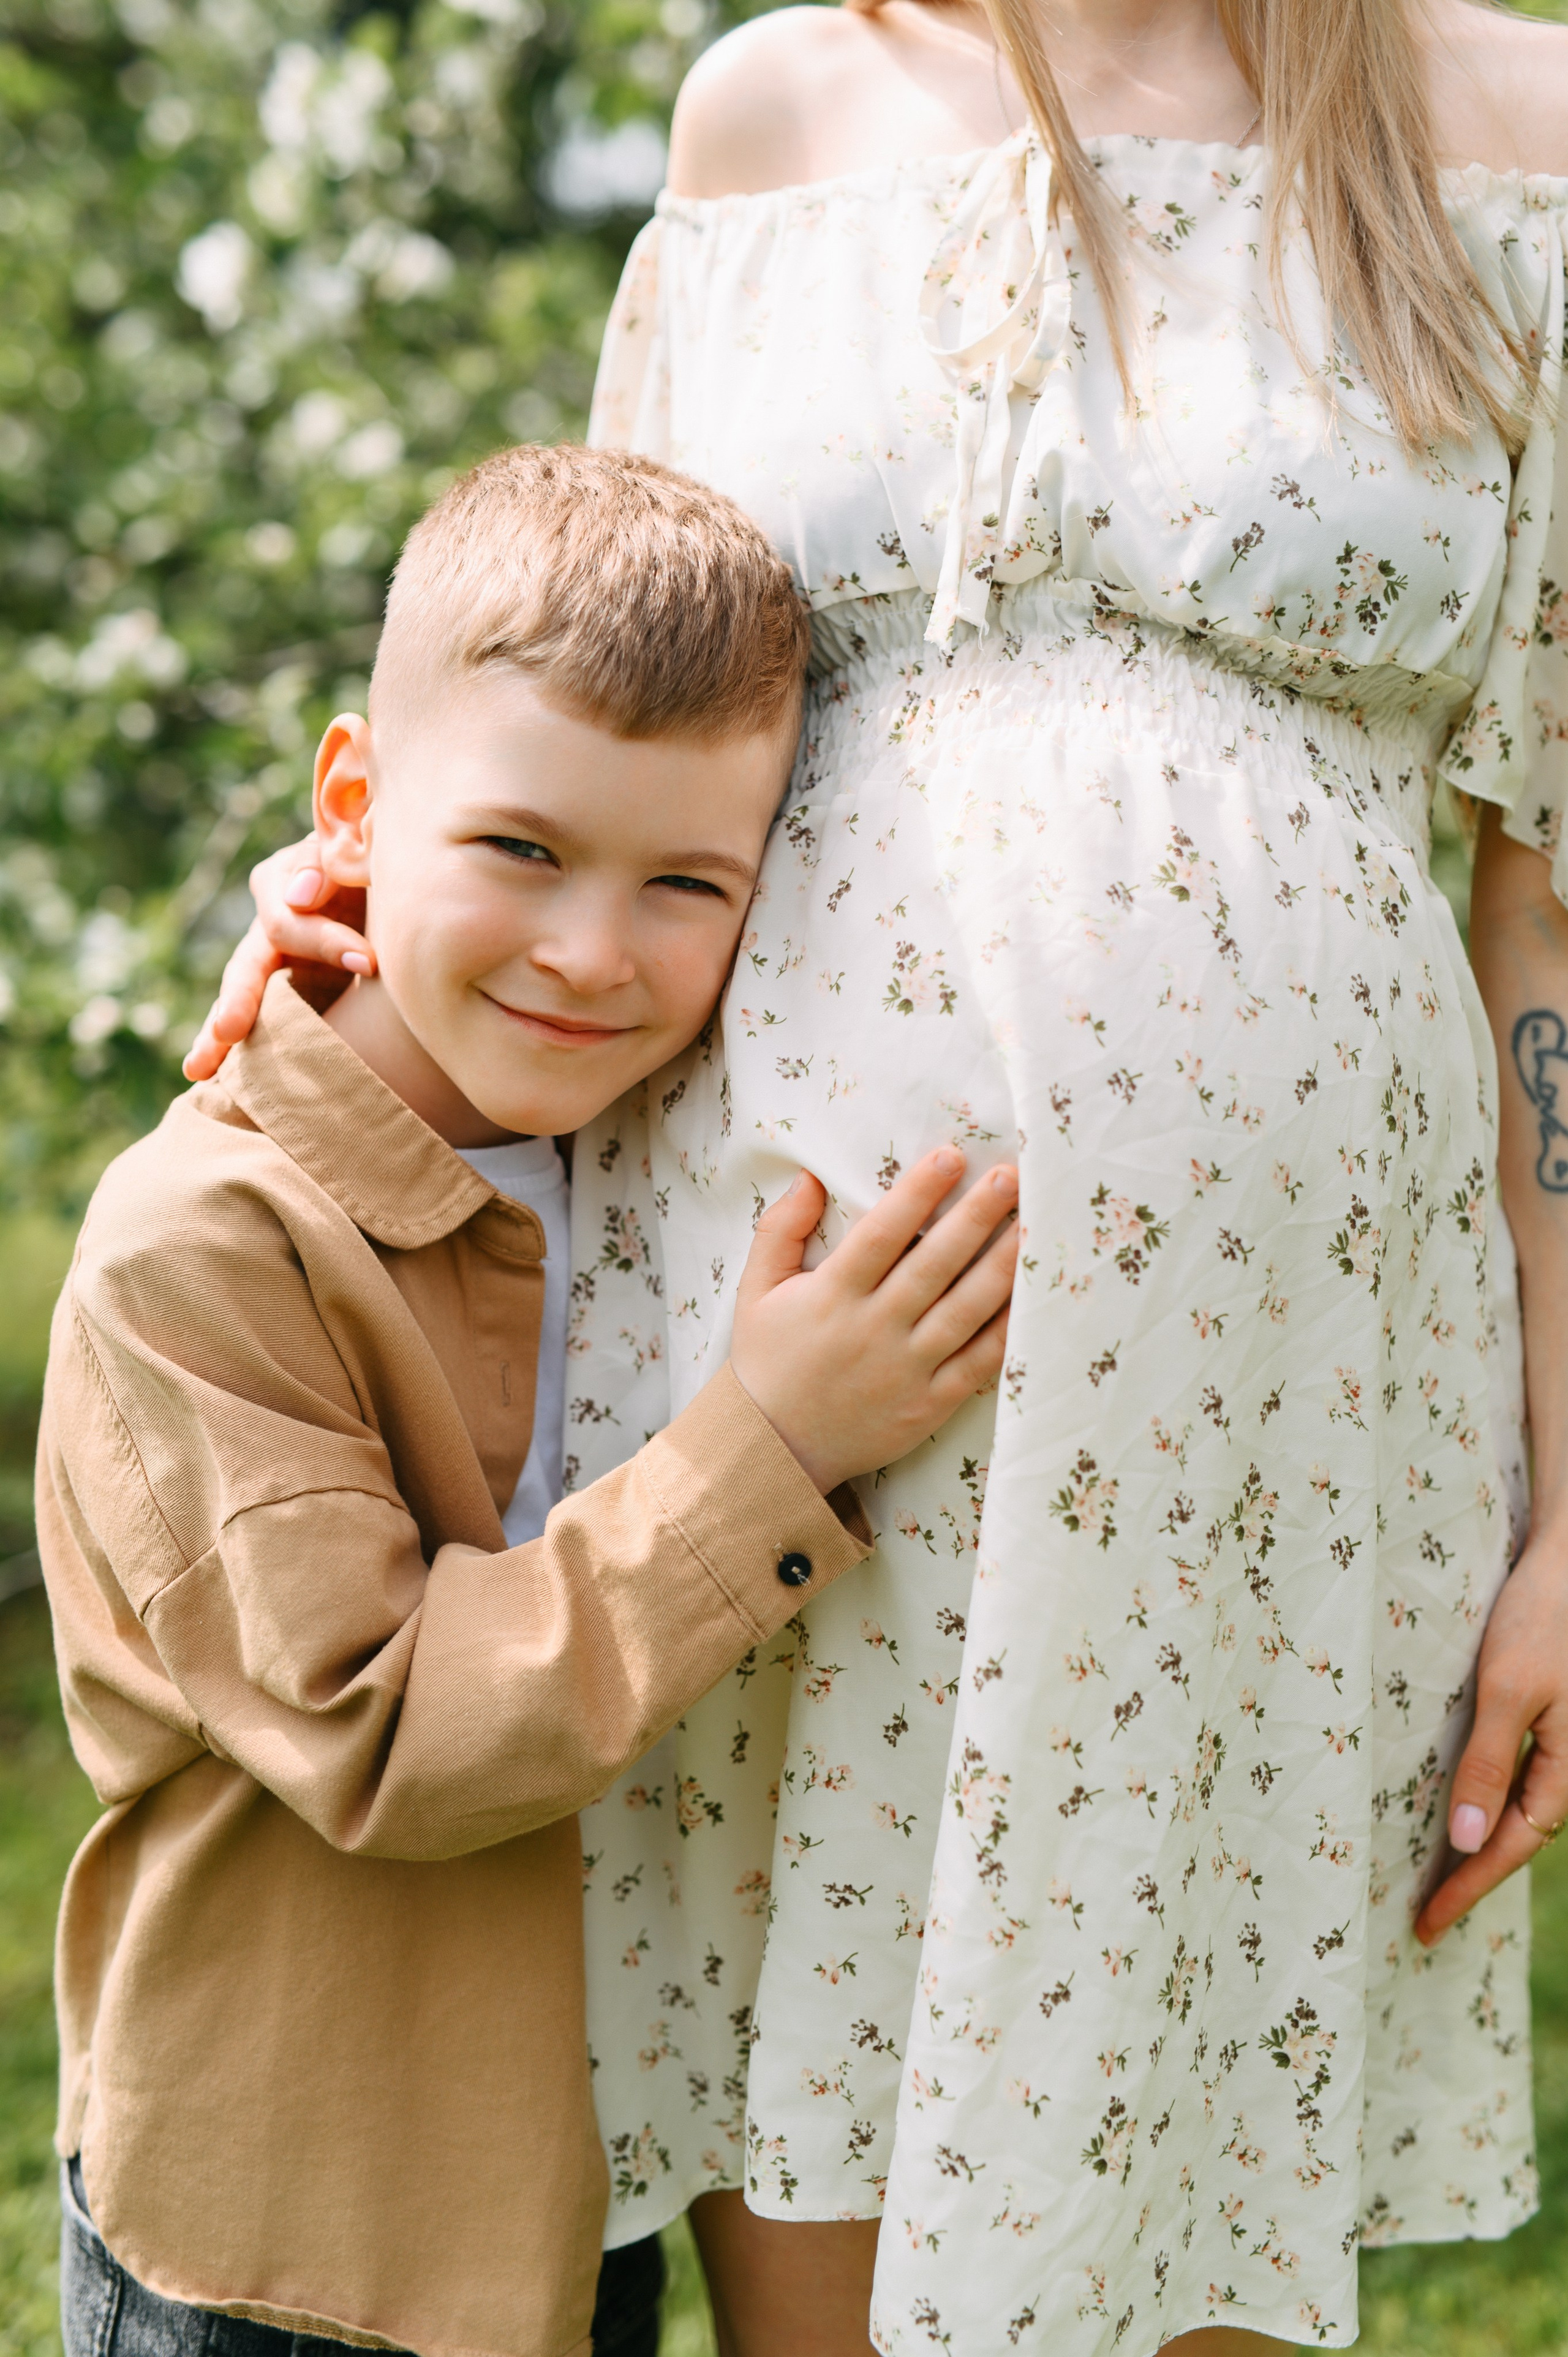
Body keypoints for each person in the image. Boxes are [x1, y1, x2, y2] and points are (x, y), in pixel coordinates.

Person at [197, 2, 1568, 2352]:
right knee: (822, 2175)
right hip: (797, 1384)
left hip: (1283, 1428)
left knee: (1190, 2200)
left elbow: (1551, 893)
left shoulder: (1521, 123)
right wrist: (368, 892)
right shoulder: (772, 113)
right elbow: (583, 684)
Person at [37, 441, 1022, 2357]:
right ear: (355, 803)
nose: (593, 953)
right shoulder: (201, 1246)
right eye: (521, 851)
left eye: (687, 885)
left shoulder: (640, 1147)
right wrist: (776, 1444)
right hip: (306, 2236)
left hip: (575, 2175)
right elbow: (386, 1726)